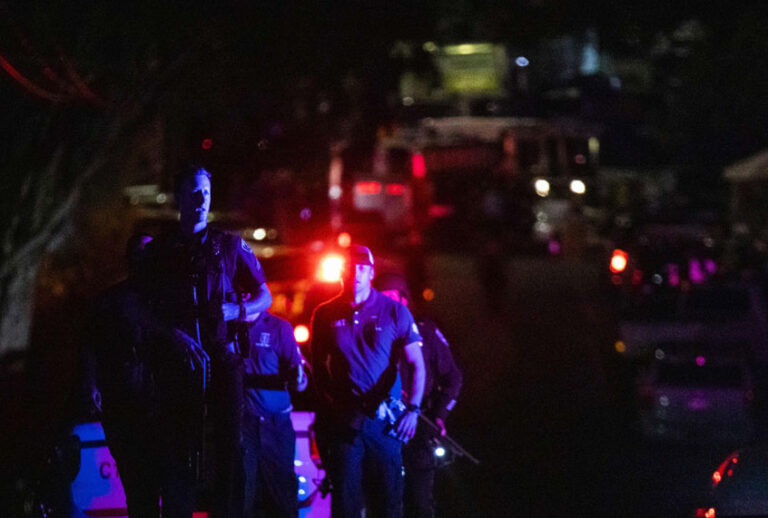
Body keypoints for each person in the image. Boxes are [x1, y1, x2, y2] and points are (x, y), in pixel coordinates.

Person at [137, 165, 272, 517]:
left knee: (229, 447)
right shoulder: (162, 250)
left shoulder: (228, 245)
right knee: (179, 447)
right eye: (194, 193)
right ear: (180, 196)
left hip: (224, 359)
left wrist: (238, 310)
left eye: (206, 194)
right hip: (181, 363)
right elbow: (143, 308)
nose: (200, 201)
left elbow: (264, 295)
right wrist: (173, 335)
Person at [310, 244, 426, 518]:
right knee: (345, 502)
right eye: (350, 267)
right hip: (345, 423)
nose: (356, 273)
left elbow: (417, 365)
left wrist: (413, 411)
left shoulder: (394, 311)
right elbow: (317, 367)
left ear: (371, 273)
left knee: (388, 501)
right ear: (341, 271)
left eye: (363, 268)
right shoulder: (325, 313)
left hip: (385, 423)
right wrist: (334, 403)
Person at [373, 273, 462, 518]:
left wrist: (440, 414)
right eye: (383, 299)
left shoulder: (426, 332)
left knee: (420, 500)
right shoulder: (371, 332)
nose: (389, 306)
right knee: (383, 499)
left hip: (418, 423)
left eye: (393, 298)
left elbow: (453, 378)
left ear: (404, 299)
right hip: (380, 424)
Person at [240, 310, 307, 517]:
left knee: (282, 497)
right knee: (242, 494)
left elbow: (299, 379)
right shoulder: (227, 325)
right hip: (243, 425)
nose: (245, 293)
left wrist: (299, 381)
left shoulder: (279, 327)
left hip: (275, 424)